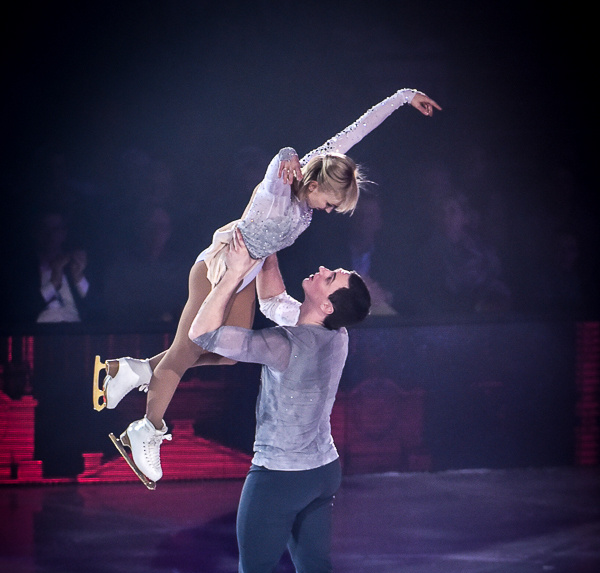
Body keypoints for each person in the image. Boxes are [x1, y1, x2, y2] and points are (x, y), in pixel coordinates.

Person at [98, 88, 441, 487]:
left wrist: (402, 98)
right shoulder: (280, 187)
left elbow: (356, 131)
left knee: (226, 355)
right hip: (217, 271)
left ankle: (131, 370)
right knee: (184, 353)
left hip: (243, 278)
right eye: (330, 204)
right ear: (313, 186)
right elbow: (281, 157)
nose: (329, 212)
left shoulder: (320, 170)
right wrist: (289, 154)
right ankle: (146, 429)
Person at [188, 228, 371, 573]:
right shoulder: (337, 335)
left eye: (331, 277)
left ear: (328, 304)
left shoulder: (284, 345)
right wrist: (266, 234)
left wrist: (226, 281)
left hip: (278, 478)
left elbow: (203, 335)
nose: (324, 270)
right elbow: (274, 298)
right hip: (321, 473)